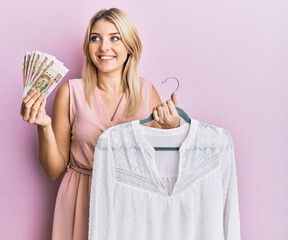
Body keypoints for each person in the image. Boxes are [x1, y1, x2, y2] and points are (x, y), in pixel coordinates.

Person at [21, 8, 180, 240]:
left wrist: (172, 130)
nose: (104, 47)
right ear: (88, 47)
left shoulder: (147, 92)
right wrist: (44, 125)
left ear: (130, 47)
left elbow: (162, 168)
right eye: (96, 38)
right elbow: (53, 170)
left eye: (114, 38)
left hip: (132, 199)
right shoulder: (70, 92)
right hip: (81, 199)